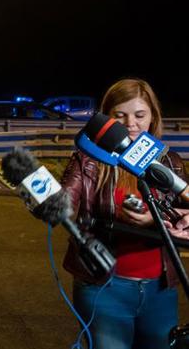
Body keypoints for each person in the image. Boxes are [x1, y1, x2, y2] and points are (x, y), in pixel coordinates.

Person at [61, 78, 187, 349]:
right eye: (120, 116)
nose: (131, 124)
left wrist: (161, 219)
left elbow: (185, 215)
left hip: (160, 290)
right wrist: (47, 198)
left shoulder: (171, 163)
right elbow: (65, 202)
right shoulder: (88, 161)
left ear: (153, 117)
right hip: (103, 289)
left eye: (140, 115)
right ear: (106, 120)